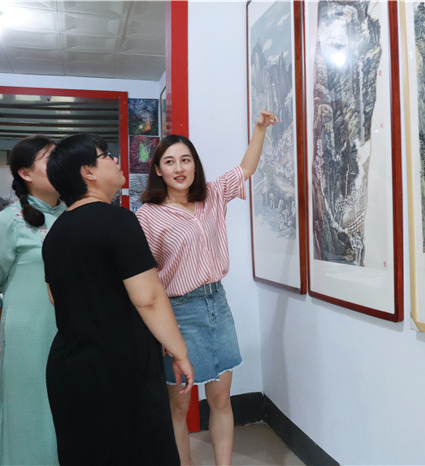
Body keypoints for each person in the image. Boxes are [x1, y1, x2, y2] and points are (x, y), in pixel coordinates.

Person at [42, 133, 194, 466]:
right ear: (88, 172)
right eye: (106, 155)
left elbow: (55, 297)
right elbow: (149, 298)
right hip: (121, 370)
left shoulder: (55, 233)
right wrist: (180, 351)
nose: (115, 160)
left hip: (69, 369)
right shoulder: (118, 220)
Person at [136, 110, 278, 465]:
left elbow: (245, 169)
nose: (179, 168)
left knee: (220, 399)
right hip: (177, 312)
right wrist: (161, 332)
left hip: (217, 304)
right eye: (170, 162)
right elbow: (147, 276)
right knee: (179, 406)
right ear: (158, 170)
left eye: (186, 159)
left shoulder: (212, 195)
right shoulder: (148, 215)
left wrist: (260, 129)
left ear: (195, 165)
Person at [0, 135, 65, 466]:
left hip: (73, 337)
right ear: (25, 173)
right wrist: (15, 334)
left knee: (69, 420)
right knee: (31, 420)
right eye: (49, 158)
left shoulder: (73, 214)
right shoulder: (10, 221)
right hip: (28, 341)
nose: (60, 164)